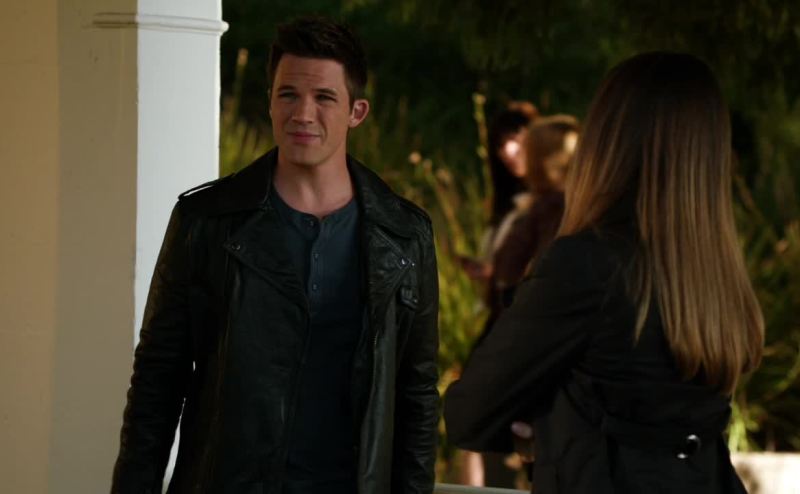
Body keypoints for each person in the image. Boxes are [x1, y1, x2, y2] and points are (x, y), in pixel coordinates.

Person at [112, 16, 439, 494]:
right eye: (288, 94)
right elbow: (157, 381)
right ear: (269, 101)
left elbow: (417, 393)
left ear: (357, 111)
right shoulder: (207, 220)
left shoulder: (405, 235)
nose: (303, 113)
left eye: (324, 97)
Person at [444, 52, 764, 494]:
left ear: (605, 144)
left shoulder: (589, 264)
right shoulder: (718, 277)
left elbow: (470, 412)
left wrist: (547, 427)